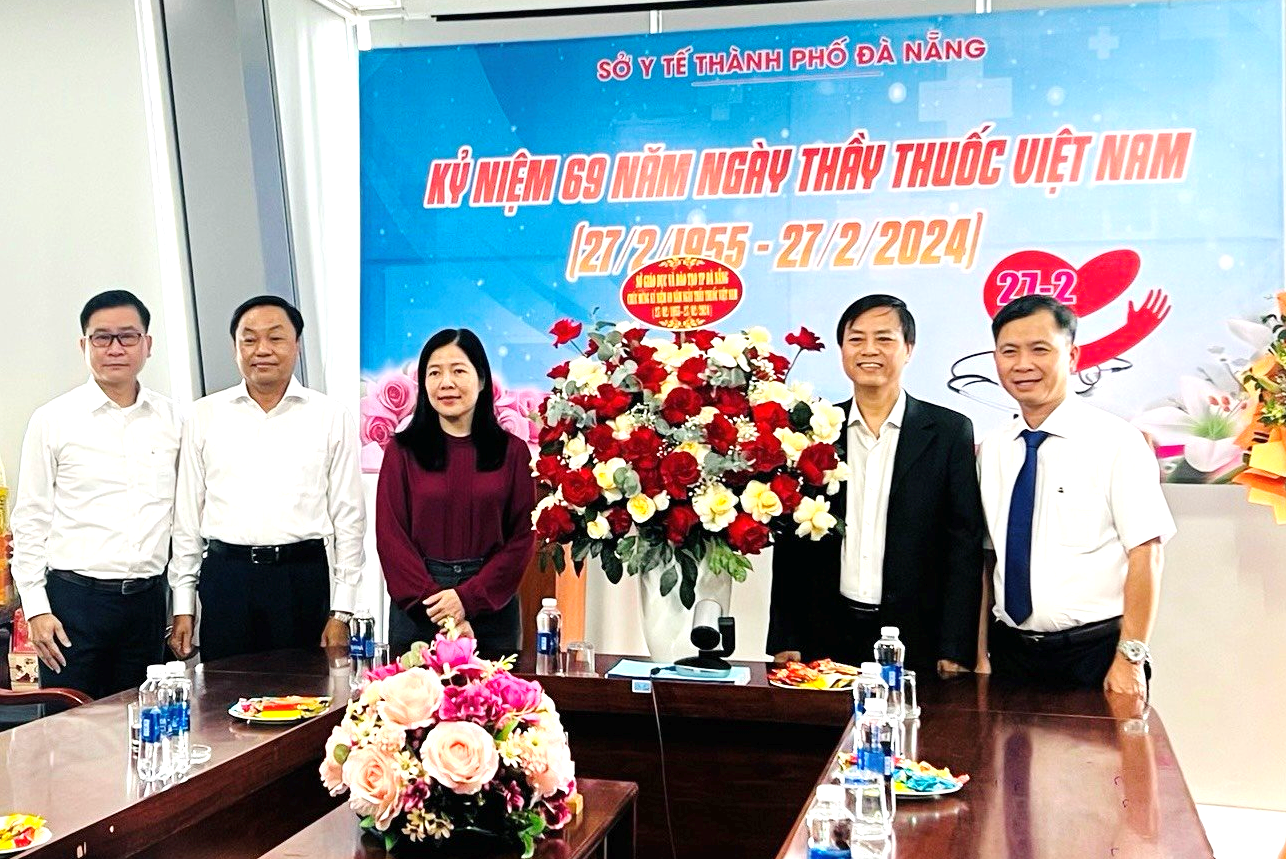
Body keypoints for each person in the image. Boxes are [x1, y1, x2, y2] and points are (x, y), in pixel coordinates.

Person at [767, 295, 985, 674]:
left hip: (916, 635)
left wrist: (955, 647)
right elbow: (791, 547)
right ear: (842, 350)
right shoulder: (812, 430)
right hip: (824, 632)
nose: (869, 350)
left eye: (884, 338)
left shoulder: (949, 432)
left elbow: (962, 546)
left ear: (908, 349)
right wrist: (785, 636)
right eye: (856, 339)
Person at [976, 294, 1174, 702]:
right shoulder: (992, 449)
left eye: (1040, 349)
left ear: (1072, 356)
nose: (1023, 364)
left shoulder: (1117, 441)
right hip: (1010, 655)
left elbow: (1147, 554)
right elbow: (987, 559)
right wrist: (979, 653)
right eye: (1009, 351)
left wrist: (1130, 658)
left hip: (1095, 655)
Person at [168, 295, 365, 662]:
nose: (262, 350)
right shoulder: (203, 415)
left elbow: (349, 519)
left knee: (304, 687)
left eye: (275, 338)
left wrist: (342, 610)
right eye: (249, 339)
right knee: (223, 689)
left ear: (297, 345)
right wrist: (183, 604)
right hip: (227, 578)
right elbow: (187, 519)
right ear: (235, 348)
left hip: (301, 577)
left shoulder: (329, 416)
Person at [10, 290, 180, 698]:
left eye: (128, 336)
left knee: (144, 720)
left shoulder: (174, 420)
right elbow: (30, 519)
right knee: (71, 727)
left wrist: (182, 604)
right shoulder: (53, 420)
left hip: (147, 604)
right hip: (75, 605)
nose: (115, 348)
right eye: (102, 337)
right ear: (83, 345)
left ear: (147, 344)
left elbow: (185, 517)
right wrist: (36, 608)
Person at [375, 328, 536, 660]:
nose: (446, 383)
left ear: (481, 380)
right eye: (434, 373)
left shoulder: (513, 452)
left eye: (458, 371)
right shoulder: (401, 451)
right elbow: (391, 536)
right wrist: (440, 606)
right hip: (420, 609)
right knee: (414, 695)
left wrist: (467, 599)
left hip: (492, 606)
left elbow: (522, 536)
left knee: (496, 694)